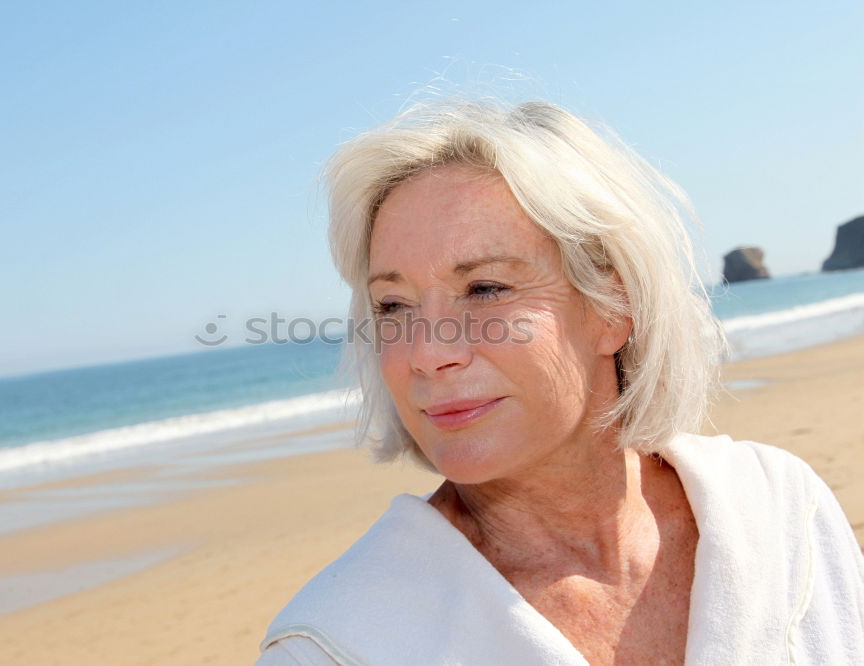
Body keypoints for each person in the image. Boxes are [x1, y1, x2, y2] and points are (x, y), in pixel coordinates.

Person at [256, 100, 864, 665]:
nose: (426, 352)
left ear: (612, 308)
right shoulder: (332, 646)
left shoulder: (784, 510)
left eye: (486, 289)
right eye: (393, 306)